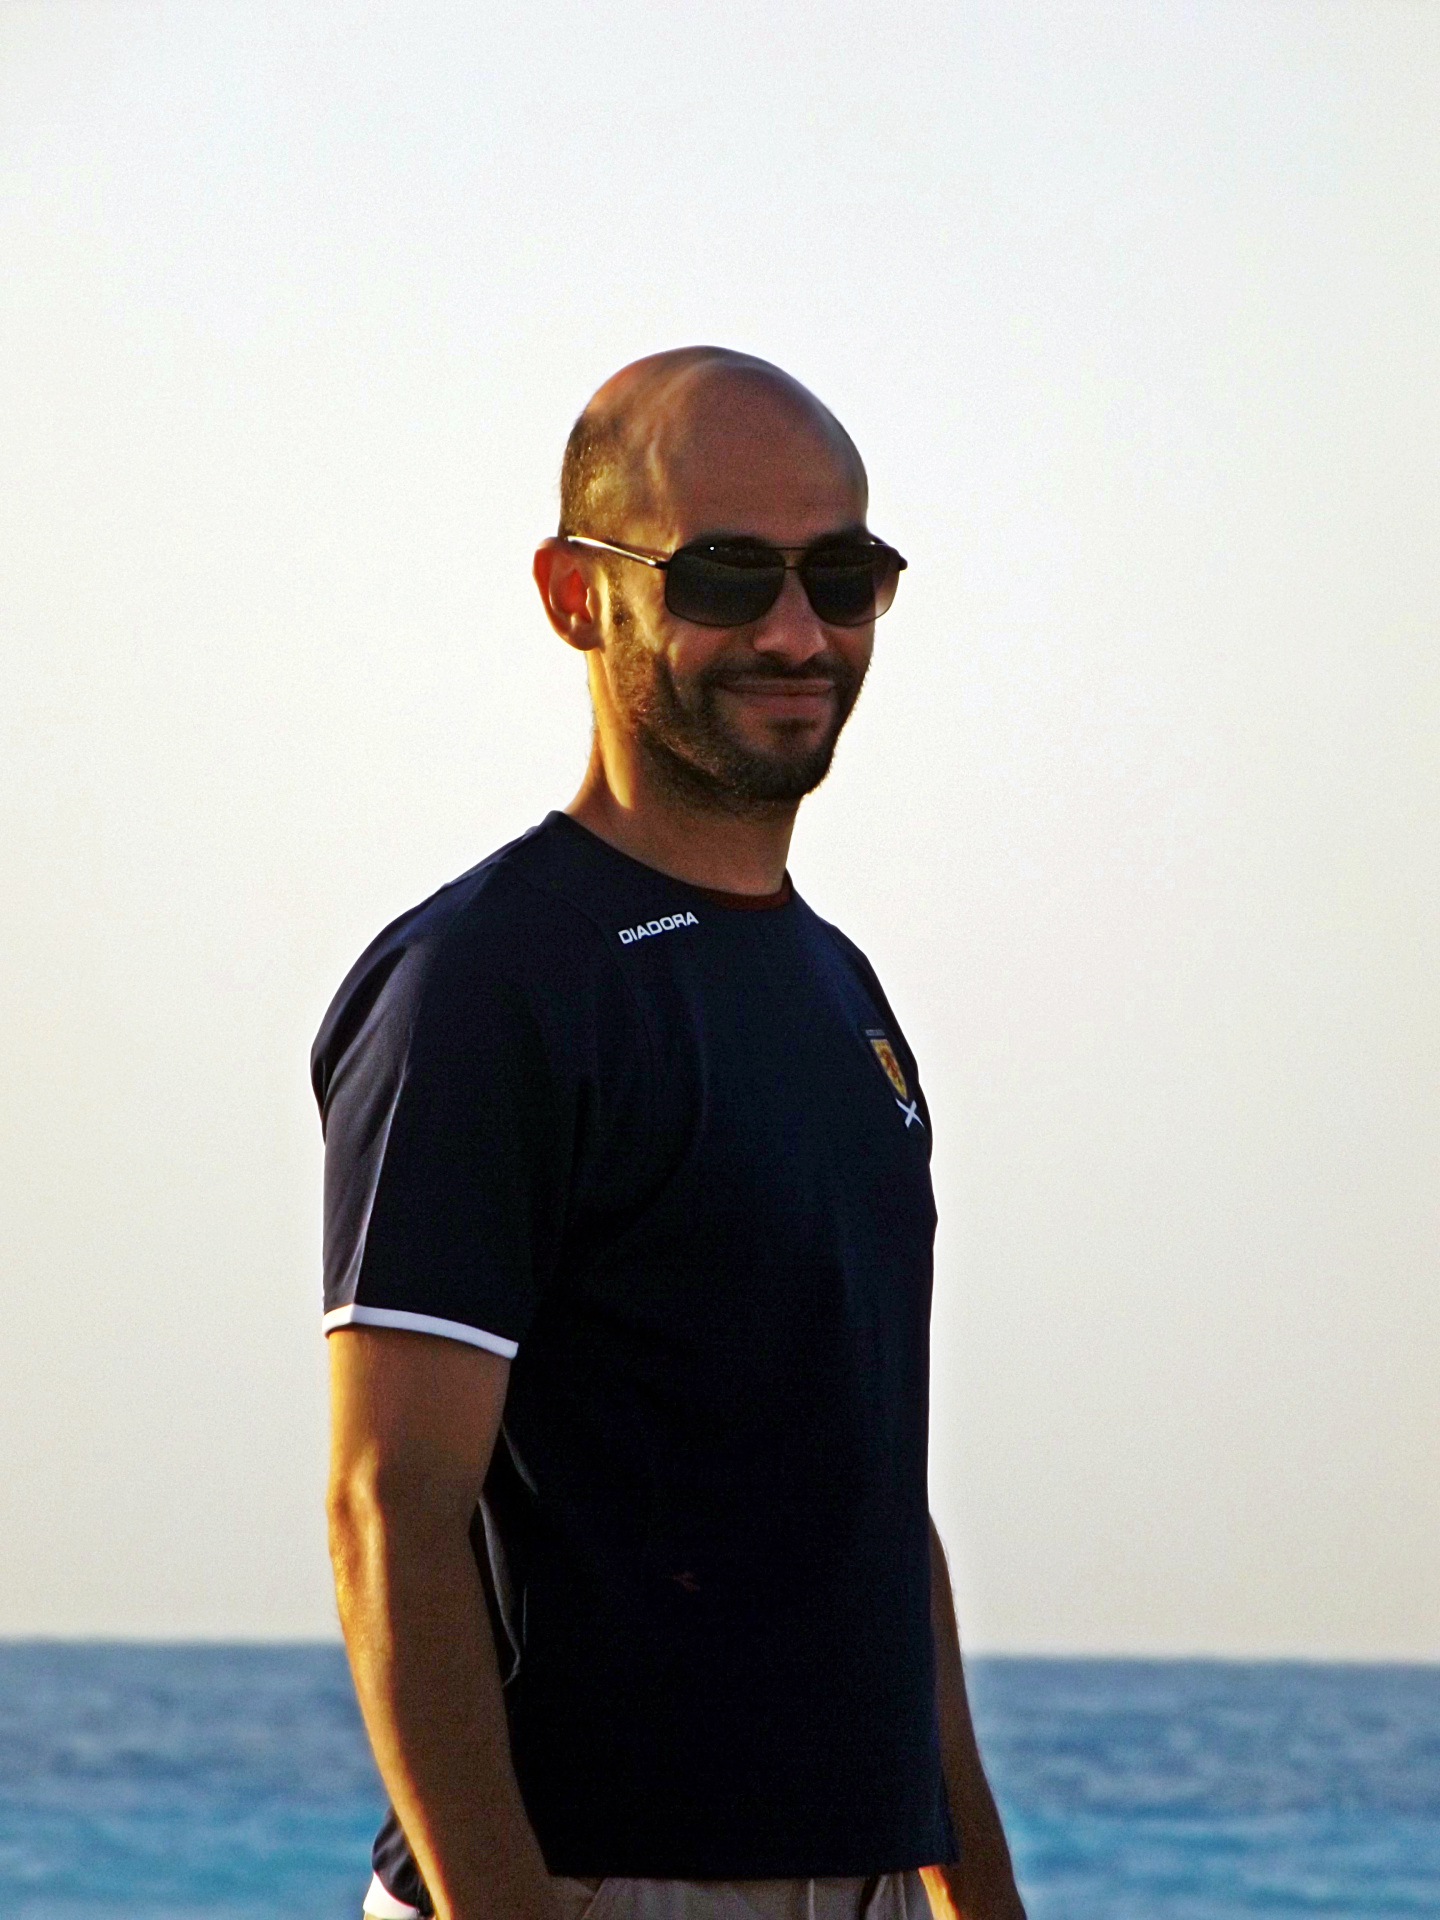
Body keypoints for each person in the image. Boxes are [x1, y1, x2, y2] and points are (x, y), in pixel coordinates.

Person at [314, 347, 1026, 1920]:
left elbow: (869, 1514)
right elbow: (390, 1508)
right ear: (578, 596)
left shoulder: (840, 993)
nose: (797, 632)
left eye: (841, 576)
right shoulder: (490, 982)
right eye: (725, 576)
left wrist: (976, 1898)